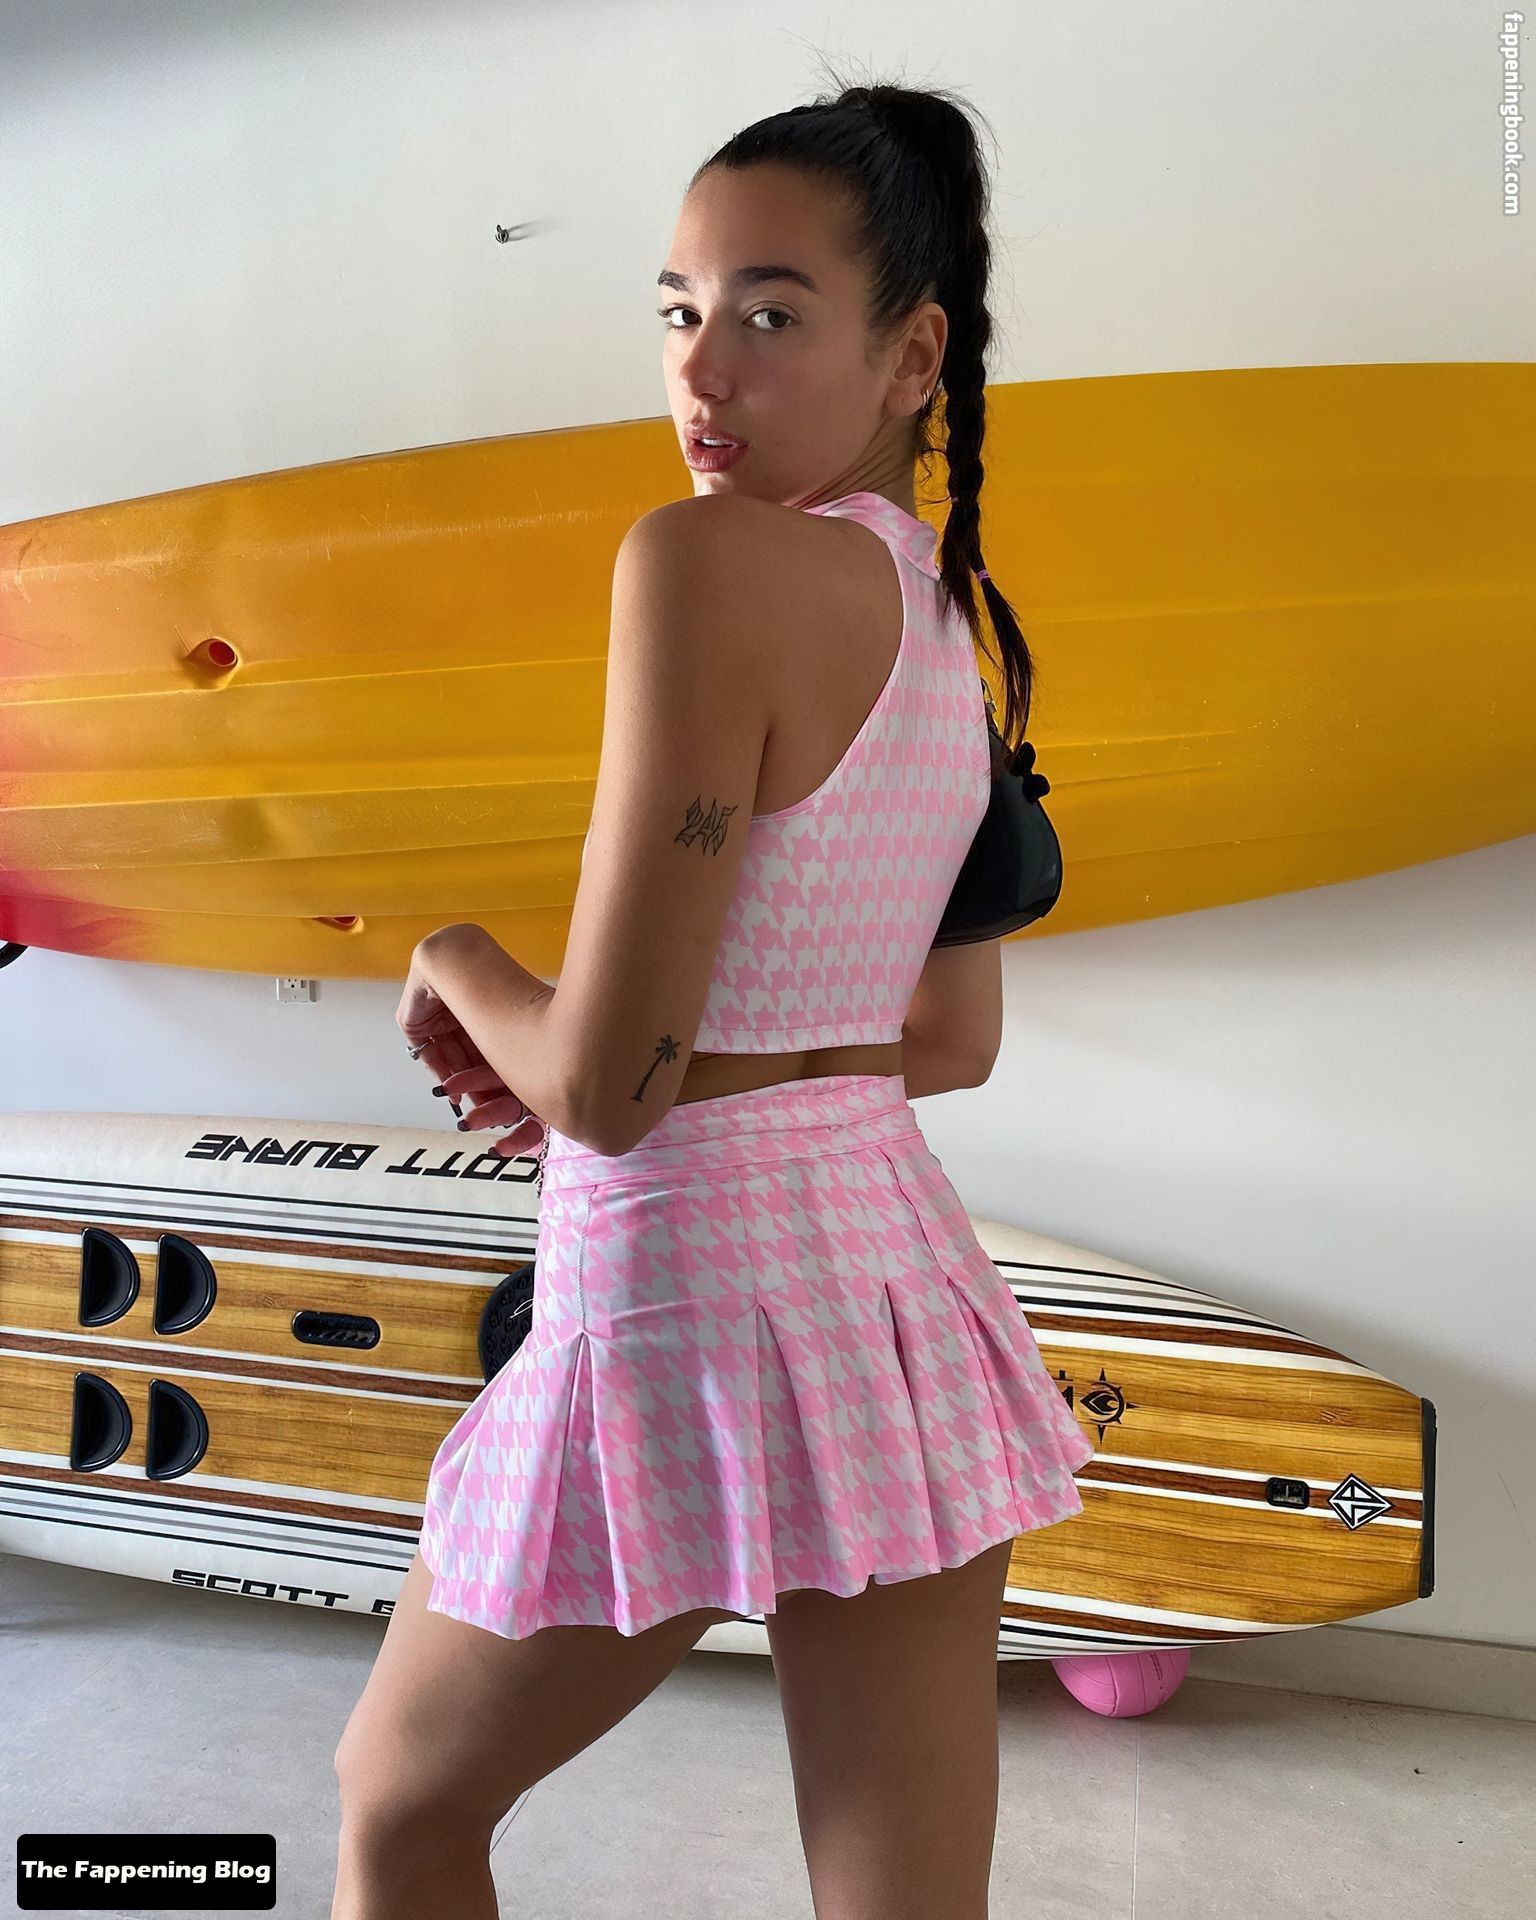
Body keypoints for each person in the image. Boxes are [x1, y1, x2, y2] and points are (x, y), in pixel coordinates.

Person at [331, 71, 1095, 1920]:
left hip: (677, 1289)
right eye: (679, 311)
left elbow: (607, 1090)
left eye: (769, 314)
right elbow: (951, 1040)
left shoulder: (701, 563)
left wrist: (455, 960)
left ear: (913, 356)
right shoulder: (951, 621)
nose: (702, 367)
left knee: (396, 1811)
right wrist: (670, 1047)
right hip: (893, 1296)